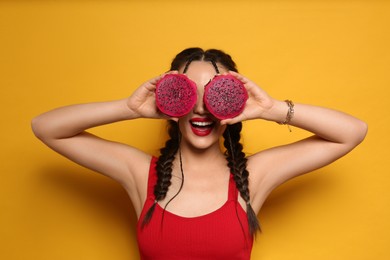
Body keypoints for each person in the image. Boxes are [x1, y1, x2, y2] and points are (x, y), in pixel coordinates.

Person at [31, 47, 367, 260]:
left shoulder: (253, 177)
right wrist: (130, 108)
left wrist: (271, 108)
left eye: (216, 94)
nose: (201, 109)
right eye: (187, 93)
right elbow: (46, 127)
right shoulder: (139, 173)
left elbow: (351, 133)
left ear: (235, 102)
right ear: (169, 98)